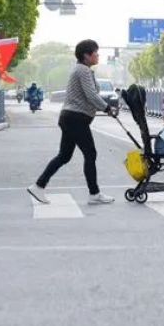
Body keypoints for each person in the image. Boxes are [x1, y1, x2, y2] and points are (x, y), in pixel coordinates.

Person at [28, 39, 118, 206]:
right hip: (76, 119)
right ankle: (94, 193)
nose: (98, 56)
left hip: (70, 118)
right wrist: (107, 108)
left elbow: (90, 95)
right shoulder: (82, 70)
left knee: (64, 156)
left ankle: (38, 186)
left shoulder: (82, 69)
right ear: (86, 55)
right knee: (90, 154)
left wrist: (104, 108)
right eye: (95, 53)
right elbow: (91, 95)